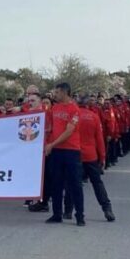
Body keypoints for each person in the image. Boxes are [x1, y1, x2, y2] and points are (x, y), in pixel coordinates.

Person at [44, 83, 84, 226]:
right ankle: (57, 214)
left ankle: (80, 215)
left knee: (75, 185)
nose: (55, 94)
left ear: (64, 92)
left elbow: (69, 131)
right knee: (56, 184)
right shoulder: (54, 108)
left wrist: (52, 144)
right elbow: (48, 125)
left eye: (57, 92)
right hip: (57, 152)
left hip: (71, 151)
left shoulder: (74, 109)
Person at [77, 96, 115, 222]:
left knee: (73, 184)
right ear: (88, 104)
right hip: (91, 155)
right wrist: (102, 157)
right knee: (97, 183)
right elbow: (99, 139)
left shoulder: (73, 116)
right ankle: (106, 208)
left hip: (76, 155)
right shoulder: (94, 116)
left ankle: (68, 210)